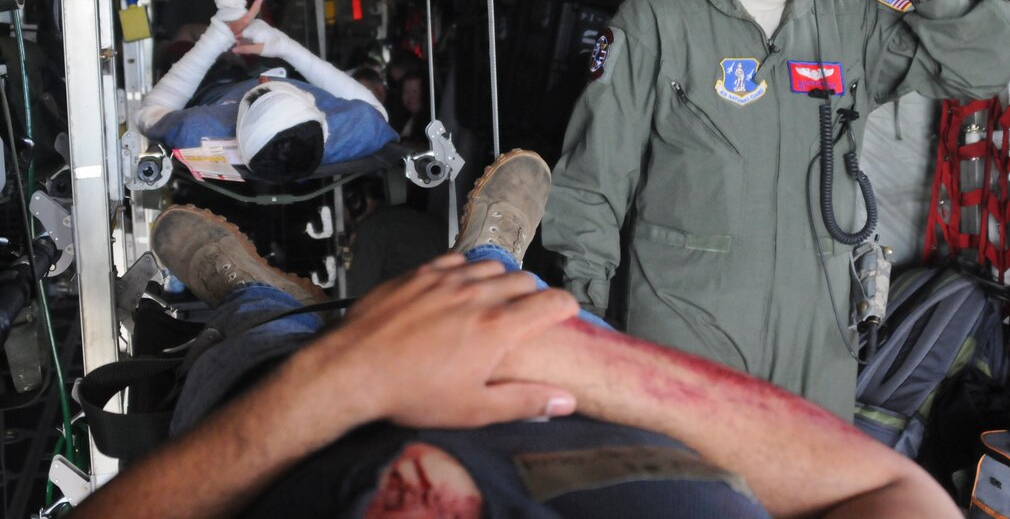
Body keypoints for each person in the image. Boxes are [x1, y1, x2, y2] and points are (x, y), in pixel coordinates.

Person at [70, 150, 959, 518]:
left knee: (263, 337)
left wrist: (337, 380)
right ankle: (491, 264)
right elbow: (894, 488)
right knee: (507, 296)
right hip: (569, 392)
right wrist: (564, 351)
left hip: (291, 420)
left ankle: (249, 293)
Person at [540, 0, 1010, 419]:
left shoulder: (856, 14)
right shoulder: (657, 17)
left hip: (816, 343)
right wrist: (583, 317)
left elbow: (993, 64)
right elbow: (592, 183)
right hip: (686, 330)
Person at [137, 0, 397, 181]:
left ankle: (162, 45)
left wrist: (219, 33)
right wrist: (285, 48)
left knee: (187, 34)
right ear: (312, 104)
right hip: (247, 72)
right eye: (272, 87)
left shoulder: (201, 133)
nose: (262, 78)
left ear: (236, 130)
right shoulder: (350, 132)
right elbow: (377, 112)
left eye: (257, 93)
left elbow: (148, 114)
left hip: (213, 85)